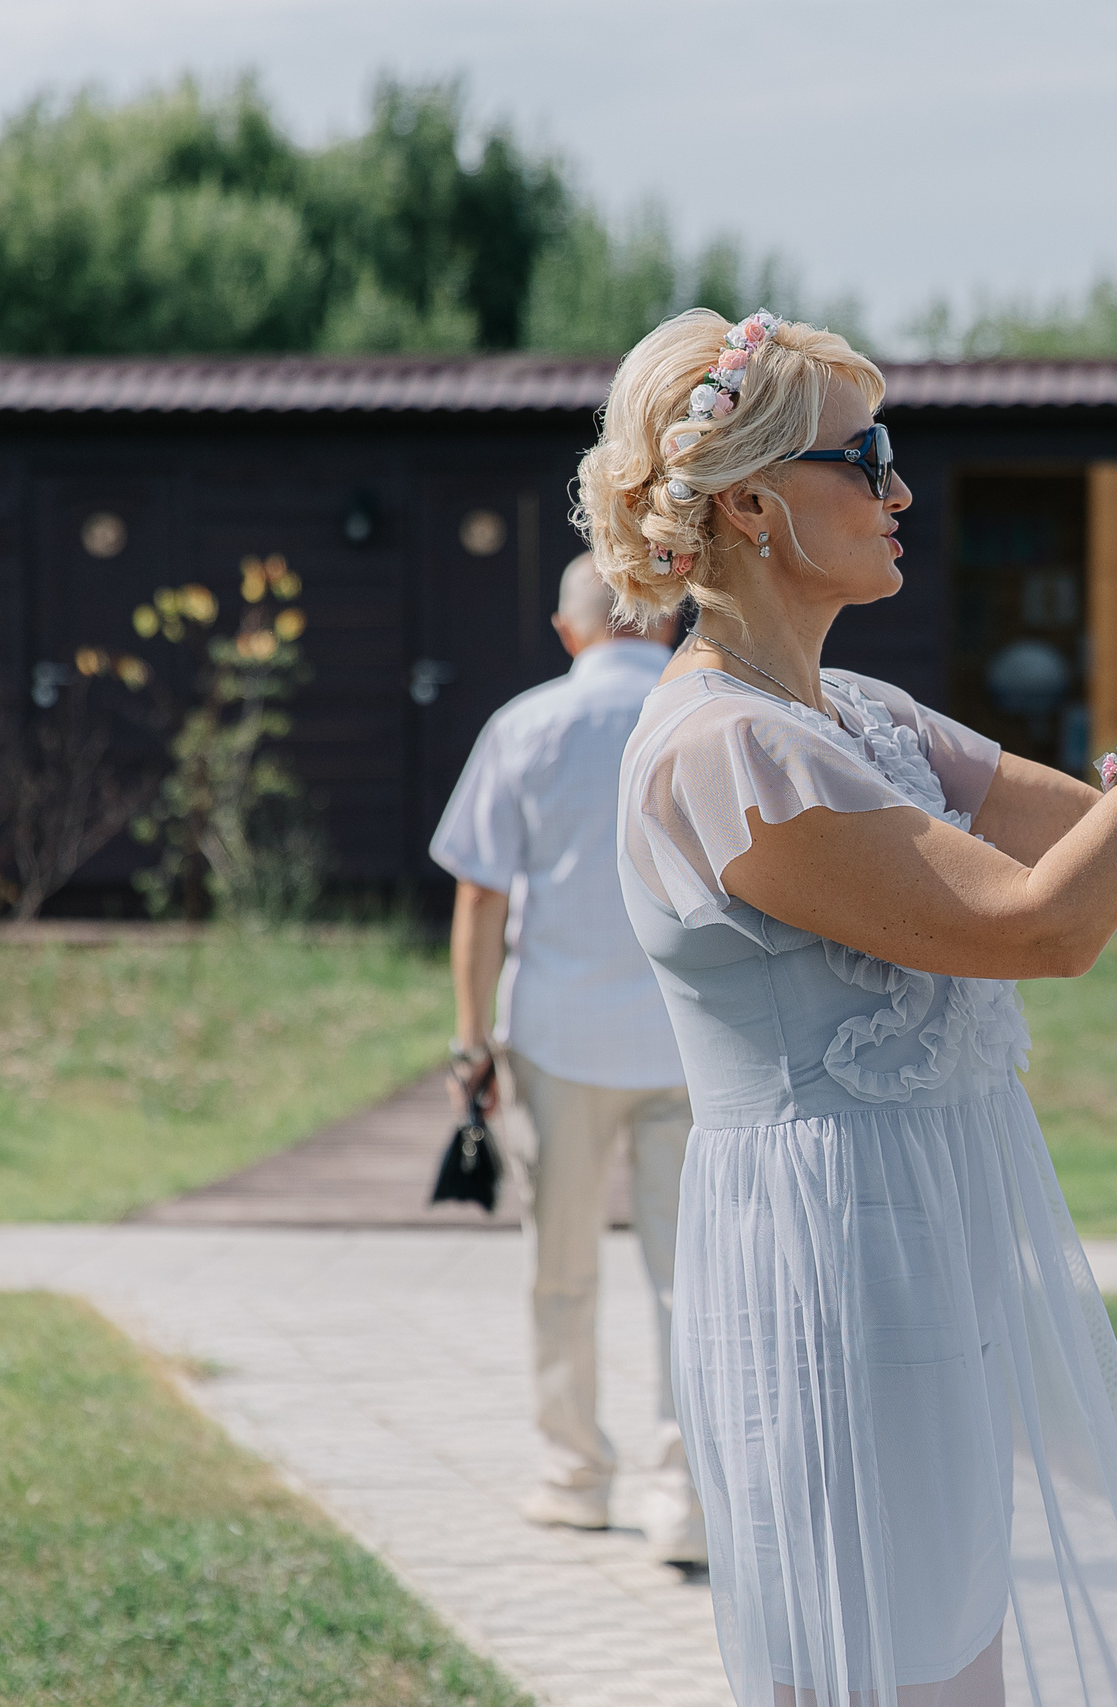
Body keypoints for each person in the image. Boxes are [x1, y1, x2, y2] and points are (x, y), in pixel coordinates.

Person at [575, 306, 1117, 1705]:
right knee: (893, 1656)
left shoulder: (857, 710)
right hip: (828, 1255)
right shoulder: (727, 750)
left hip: (927, 1225)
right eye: (865, 455)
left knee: (952, 1642)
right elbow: (1044, 924)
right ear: (755, 500)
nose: (899, 491)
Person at [429, 555, 704, 1565]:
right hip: (690, 1038)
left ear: (566, 628)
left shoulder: (527, 725)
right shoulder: (705, 719)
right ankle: (690, 1503)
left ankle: (576, 1477)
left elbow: (479, 894)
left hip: (558, 1037)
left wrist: (471, 1040)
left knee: (563, 1273)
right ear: (669, 623)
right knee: (691, 1280)